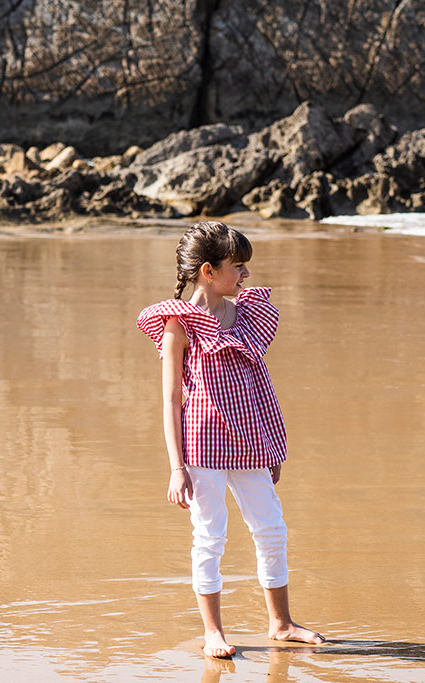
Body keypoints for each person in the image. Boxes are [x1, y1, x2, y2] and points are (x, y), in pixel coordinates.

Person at [136, 221, 325, 659]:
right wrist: (176, 467)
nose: (245, 275)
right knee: (210, 538)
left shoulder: (248, 315)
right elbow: (170, 400)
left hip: (250, 444)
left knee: (272, 530)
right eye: (237, 266)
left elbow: (261, 386)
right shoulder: (178, 325)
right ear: (207, 270)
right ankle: (213, 632)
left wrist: (272, 446)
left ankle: (281, 623)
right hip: (201, 449)